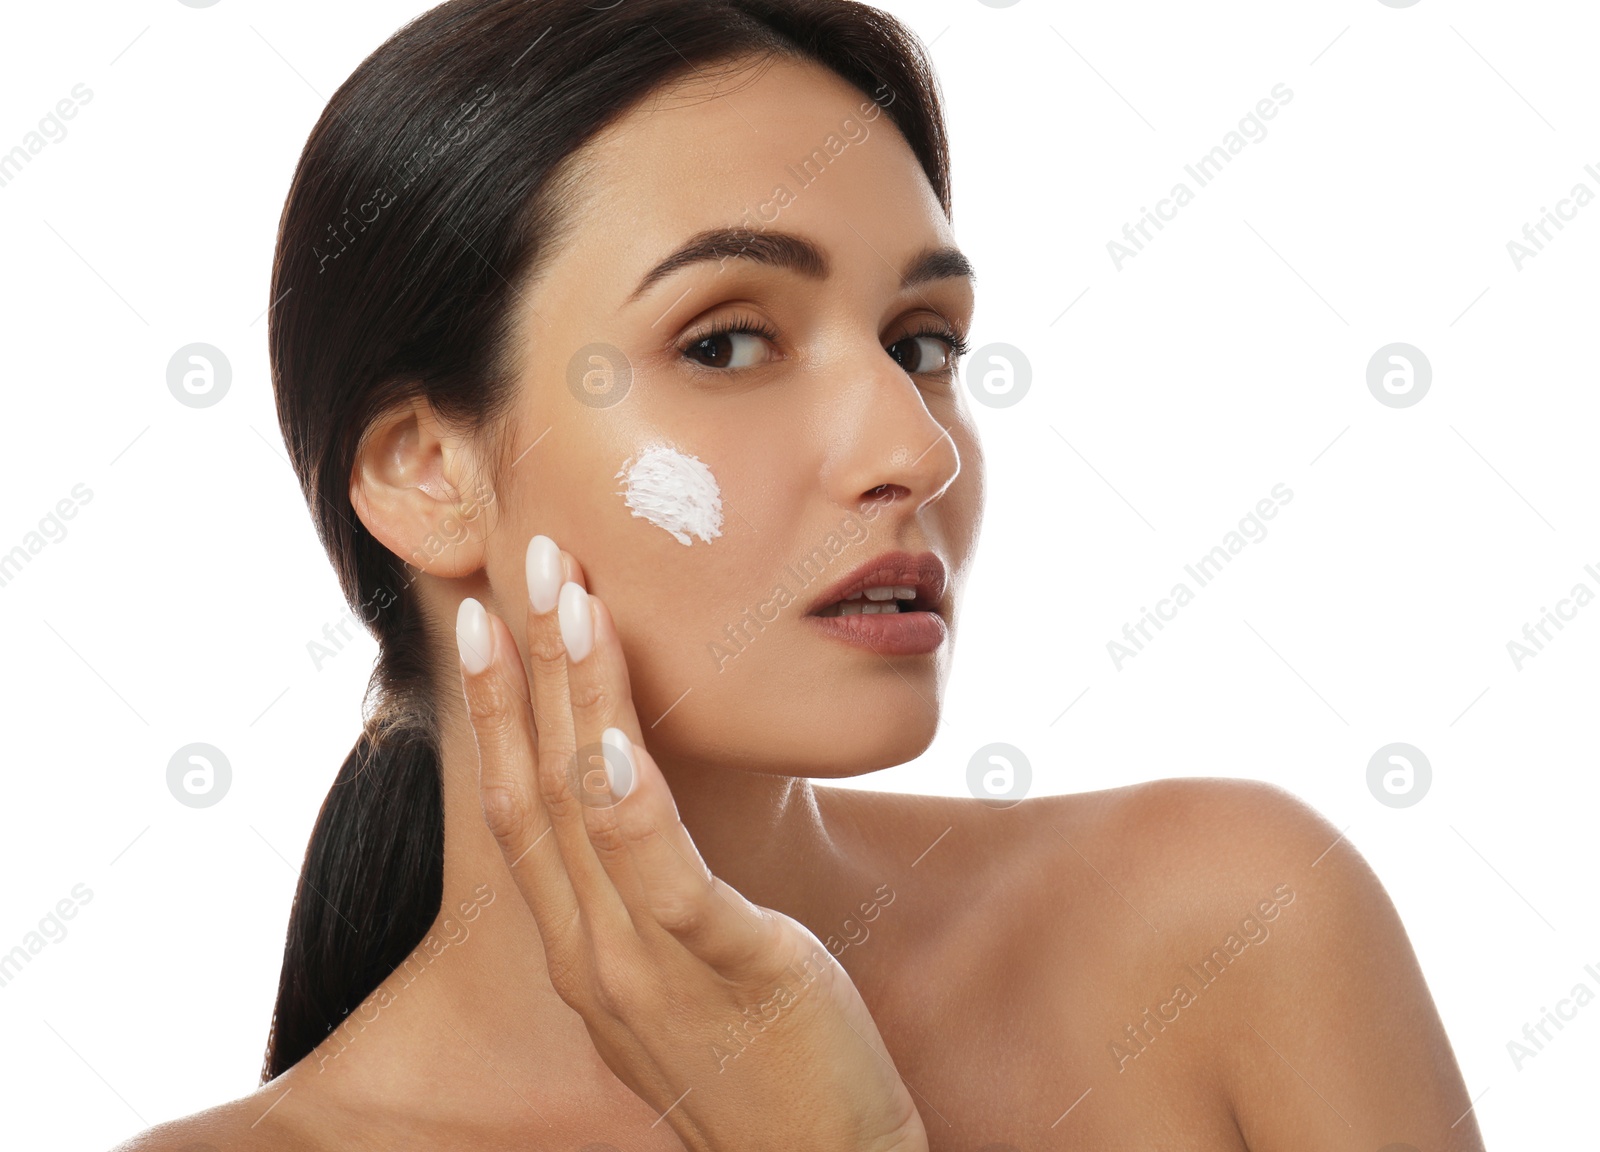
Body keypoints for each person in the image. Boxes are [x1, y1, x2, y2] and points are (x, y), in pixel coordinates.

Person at [115, 0, 1486, 1147]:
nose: (912, 448)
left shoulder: (1233, 931)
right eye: (724, 343)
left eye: (920, 341)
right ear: (426, 470)